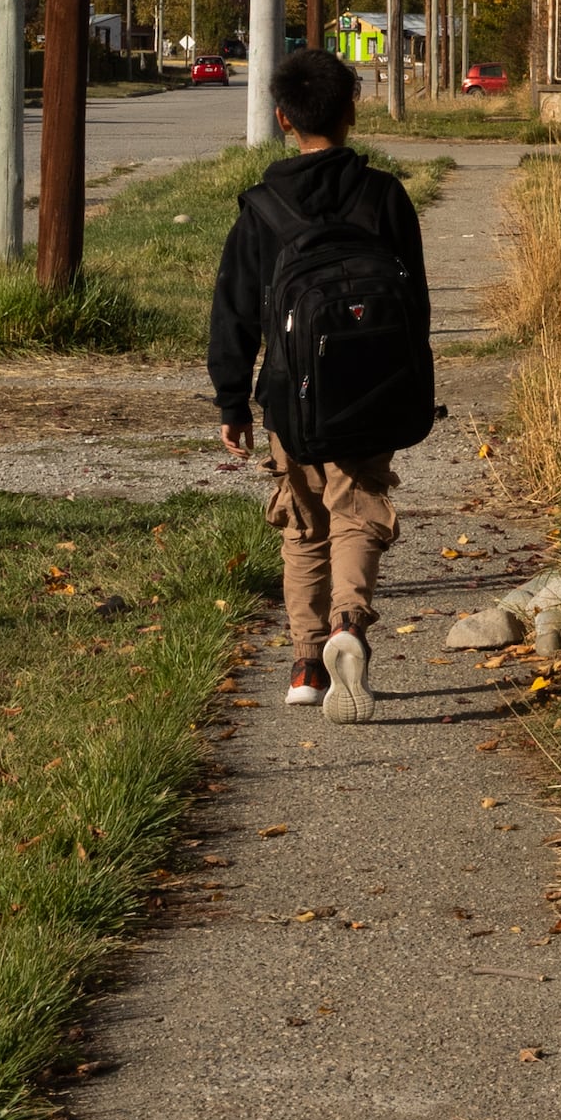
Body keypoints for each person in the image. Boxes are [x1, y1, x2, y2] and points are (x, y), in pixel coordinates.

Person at [208, 48, 439, 724]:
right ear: (351, 112)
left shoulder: (261, 209)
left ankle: (307, 662)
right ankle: (349, 626)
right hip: (373, 391)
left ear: (282, 117)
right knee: (360, 506)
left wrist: (232, 398)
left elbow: (235, 311)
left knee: (302, 520)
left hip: (290, 400)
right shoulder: (385, 195)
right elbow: (415, 305)